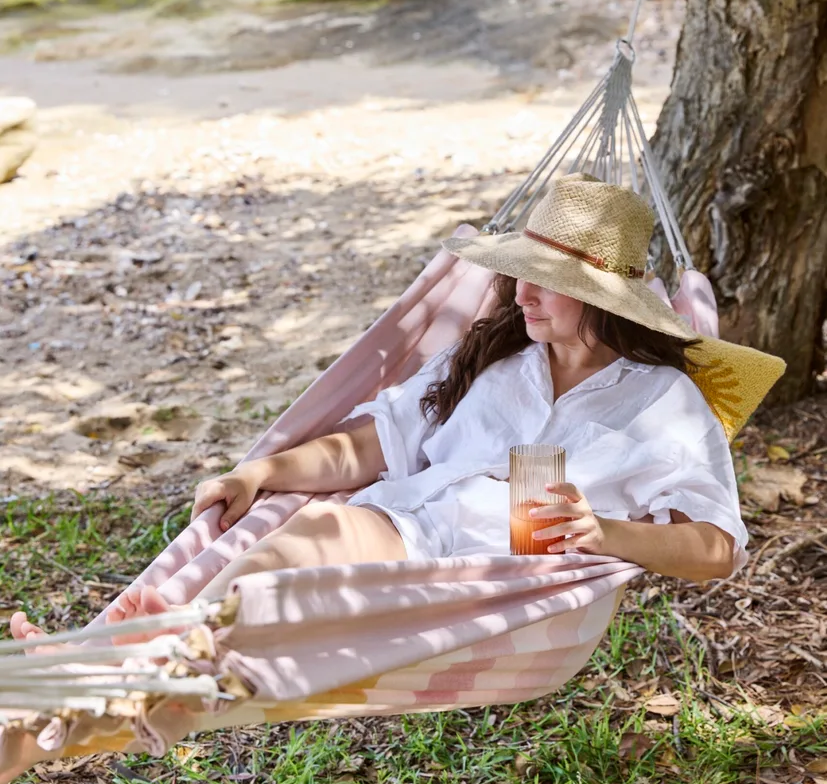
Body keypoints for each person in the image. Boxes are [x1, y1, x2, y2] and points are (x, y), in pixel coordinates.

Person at [10, 175, 752, 645]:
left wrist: (606, 532)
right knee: (313, 532)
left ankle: (131, 656)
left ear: (597, 295)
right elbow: (370, 446)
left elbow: (715, 549)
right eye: (519, 277)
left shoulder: (661, 402)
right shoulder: (492, 363)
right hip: (409, 532)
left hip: (510, 587)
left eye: (544, 283)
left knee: (265, 604)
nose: (520, 295)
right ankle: (115, 658)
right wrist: (260, 472)